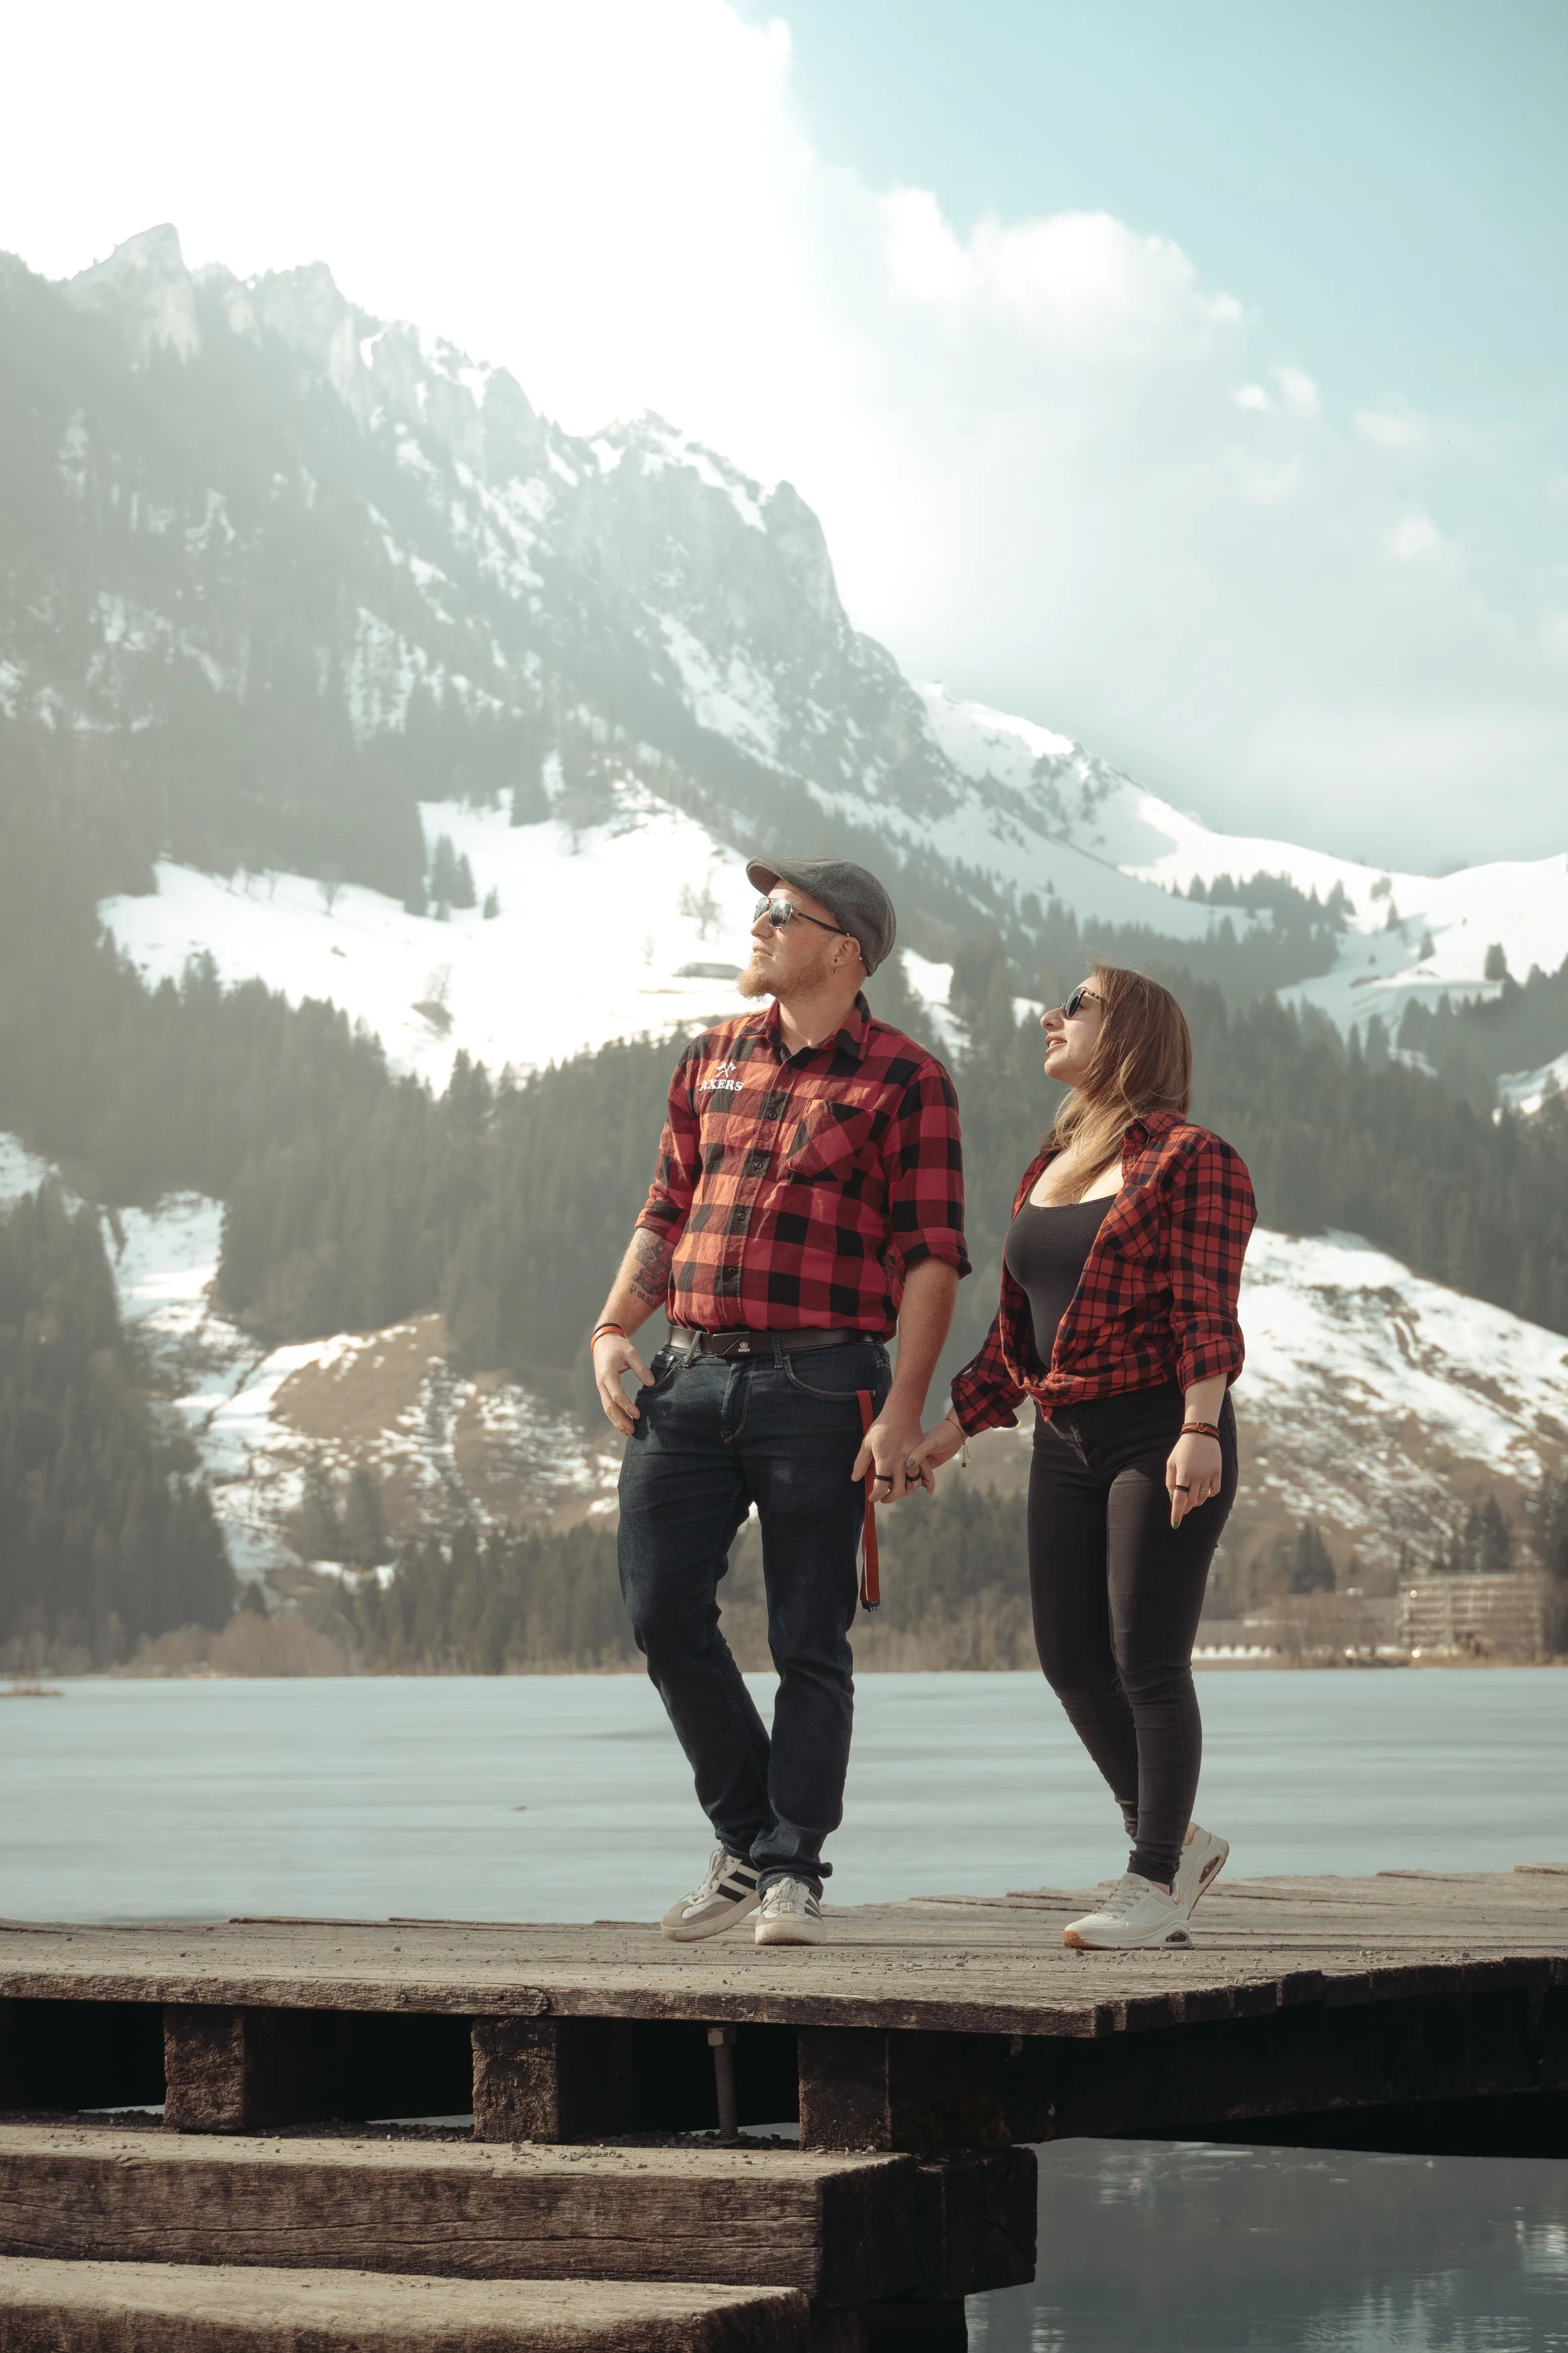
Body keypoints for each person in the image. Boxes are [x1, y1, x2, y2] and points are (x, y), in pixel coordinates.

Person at [591, 858, 968, 1947]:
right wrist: (614, 1329)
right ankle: (751, 1836)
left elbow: (932, 1260)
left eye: (779, 914)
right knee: (661, 1612)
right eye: (758, 910)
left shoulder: (909, 1081)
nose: (754, 926)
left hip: (826, 1385)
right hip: (688, 1373)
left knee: (811, 1636)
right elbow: (664, 1209)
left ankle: (793, 1866)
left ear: (844, 949)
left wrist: (904, 1411)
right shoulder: (708, 1059)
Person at [911, 967, 1255, 1951]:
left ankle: (1151, 1880)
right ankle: (1176, 1843)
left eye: (1078, 1006)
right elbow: (1016, 1335)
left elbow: (1205, 1310)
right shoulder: (1051, 1163)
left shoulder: (1195, 1159)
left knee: (1147, 1656)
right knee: (1070, 1658)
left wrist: (1199, 1426)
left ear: (1131, 1033)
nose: (1050, 1018)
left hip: (1160, 1429)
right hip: (1065, 1434)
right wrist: (948, 1433)